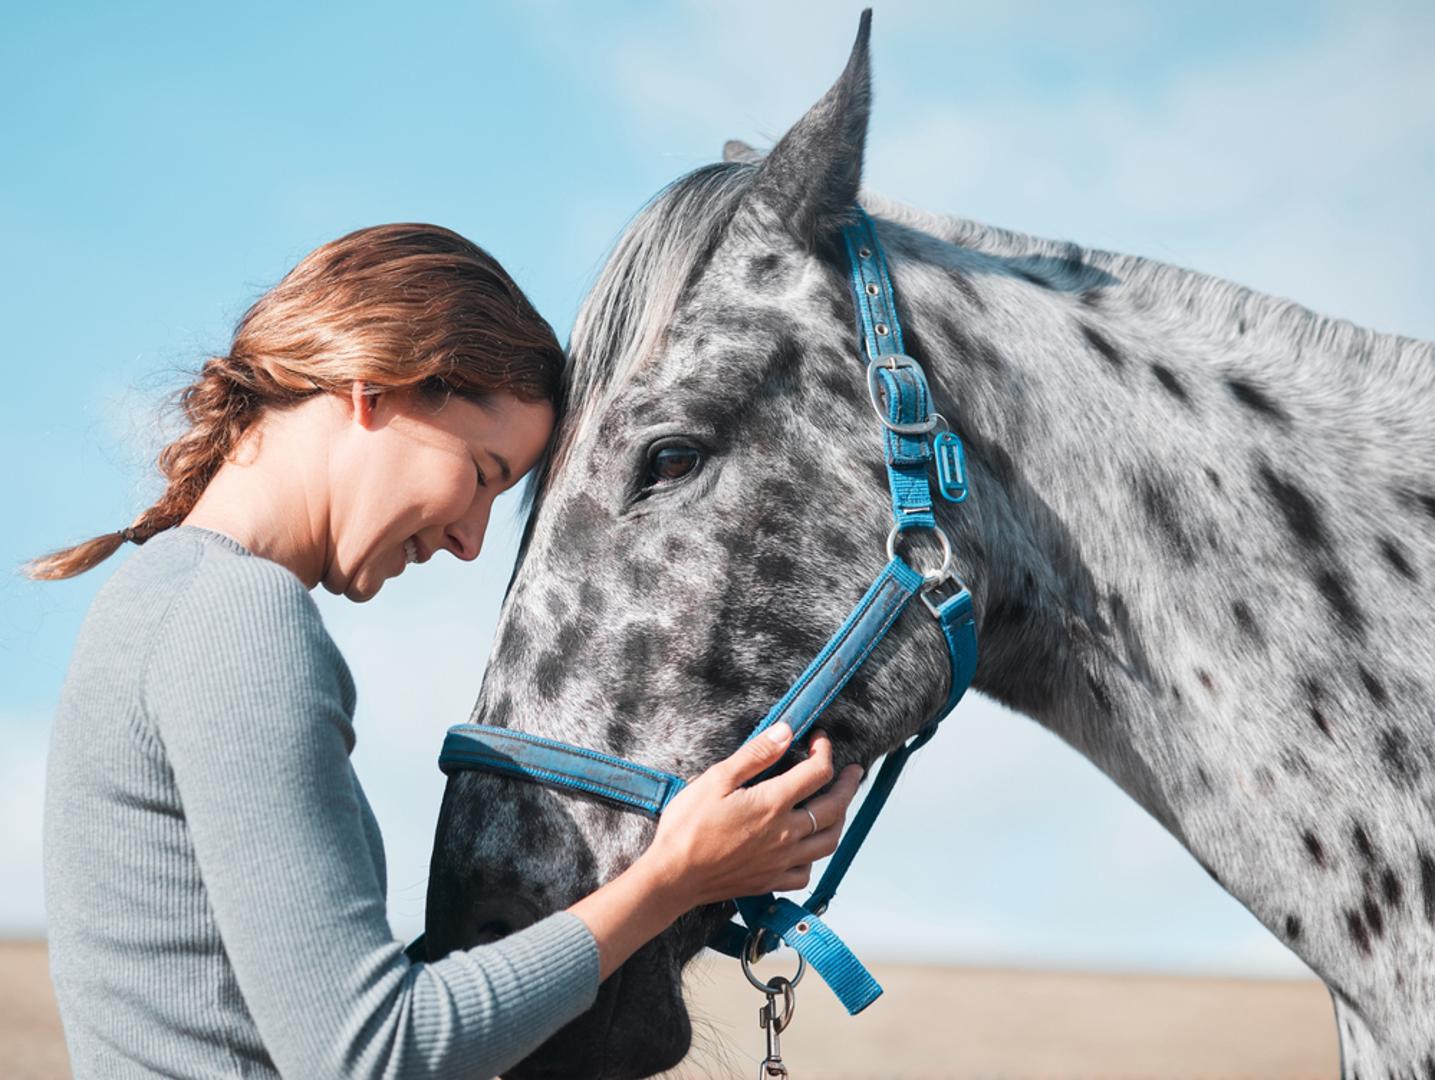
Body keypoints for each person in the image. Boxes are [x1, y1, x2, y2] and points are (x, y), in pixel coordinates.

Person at [25, 223, 865, 1079]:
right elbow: (370, 1052)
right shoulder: (237, 618)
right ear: (376, 388)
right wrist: (673, 878)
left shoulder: (162, 599)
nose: (469, 541)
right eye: (482, 471)